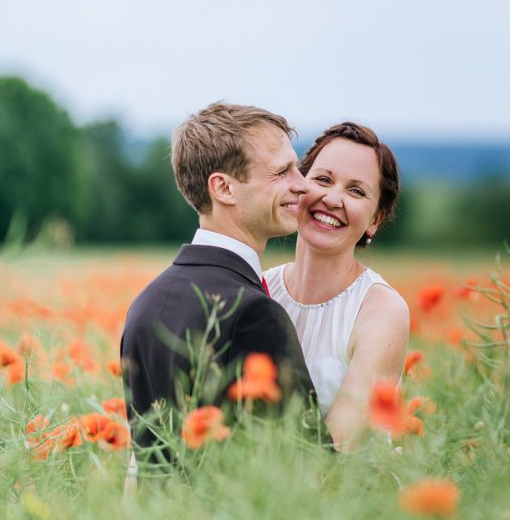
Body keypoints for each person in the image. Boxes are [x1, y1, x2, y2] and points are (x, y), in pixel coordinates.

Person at [120, 102, 318, 461]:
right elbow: (305, 459)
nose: (302, 185)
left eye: (298, 168)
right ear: (224, 188)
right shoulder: (253, 312)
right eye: (282, 172)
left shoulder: (144, 303)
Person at [263, 122, 409, 451]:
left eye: (356, 191)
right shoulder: (258, 289)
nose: (332, 198)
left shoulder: (381, 311)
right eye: (323, 180)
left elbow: (341, 445)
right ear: (298, 185)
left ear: (375, 219)